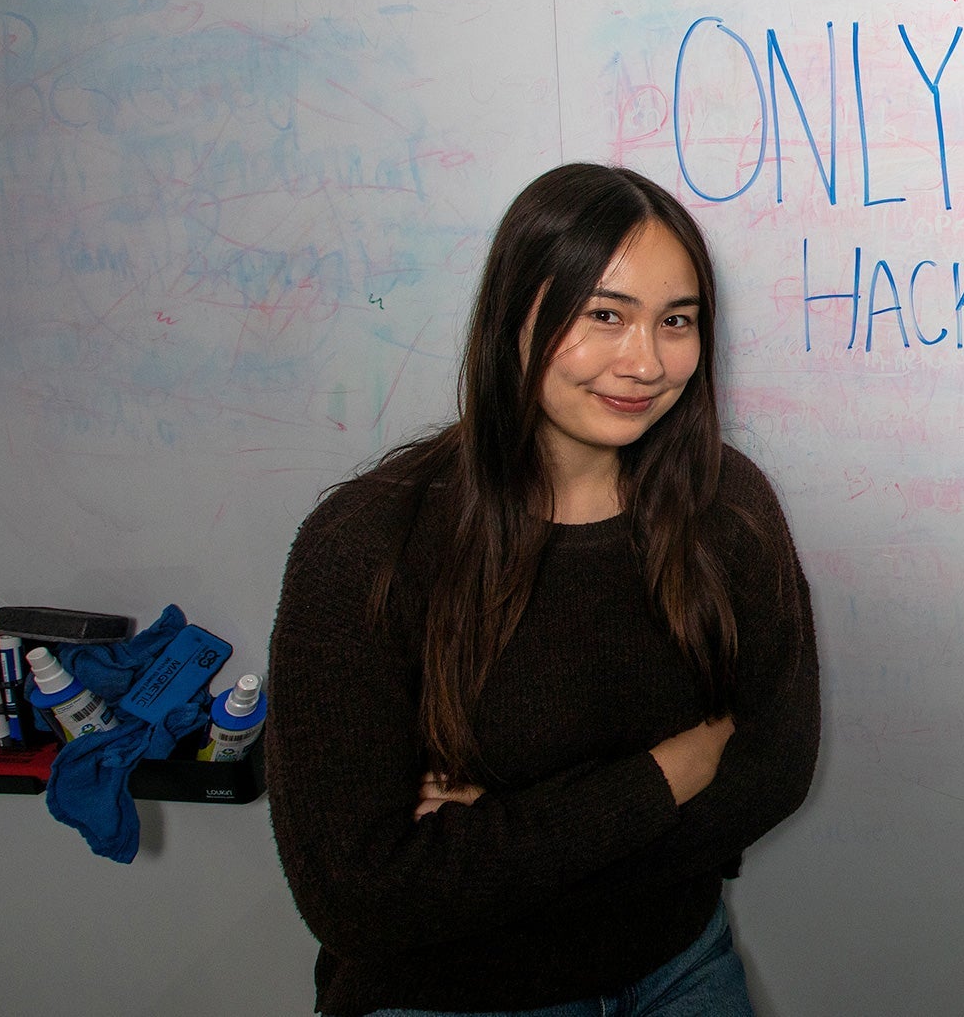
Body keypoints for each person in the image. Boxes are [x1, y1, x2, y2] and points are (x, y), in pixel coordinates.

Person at [267, 164, 819, 1017]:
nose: (644, 361)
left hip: (679, 963)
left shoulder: (727, 508)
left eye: (676, 321)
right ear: (514, 314)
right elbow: (358, 897)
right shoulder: (368, 548)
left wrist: (504, 836)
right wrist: (664, 776)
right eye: (605, 315)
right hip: (452, 995)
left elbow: (773, 769)